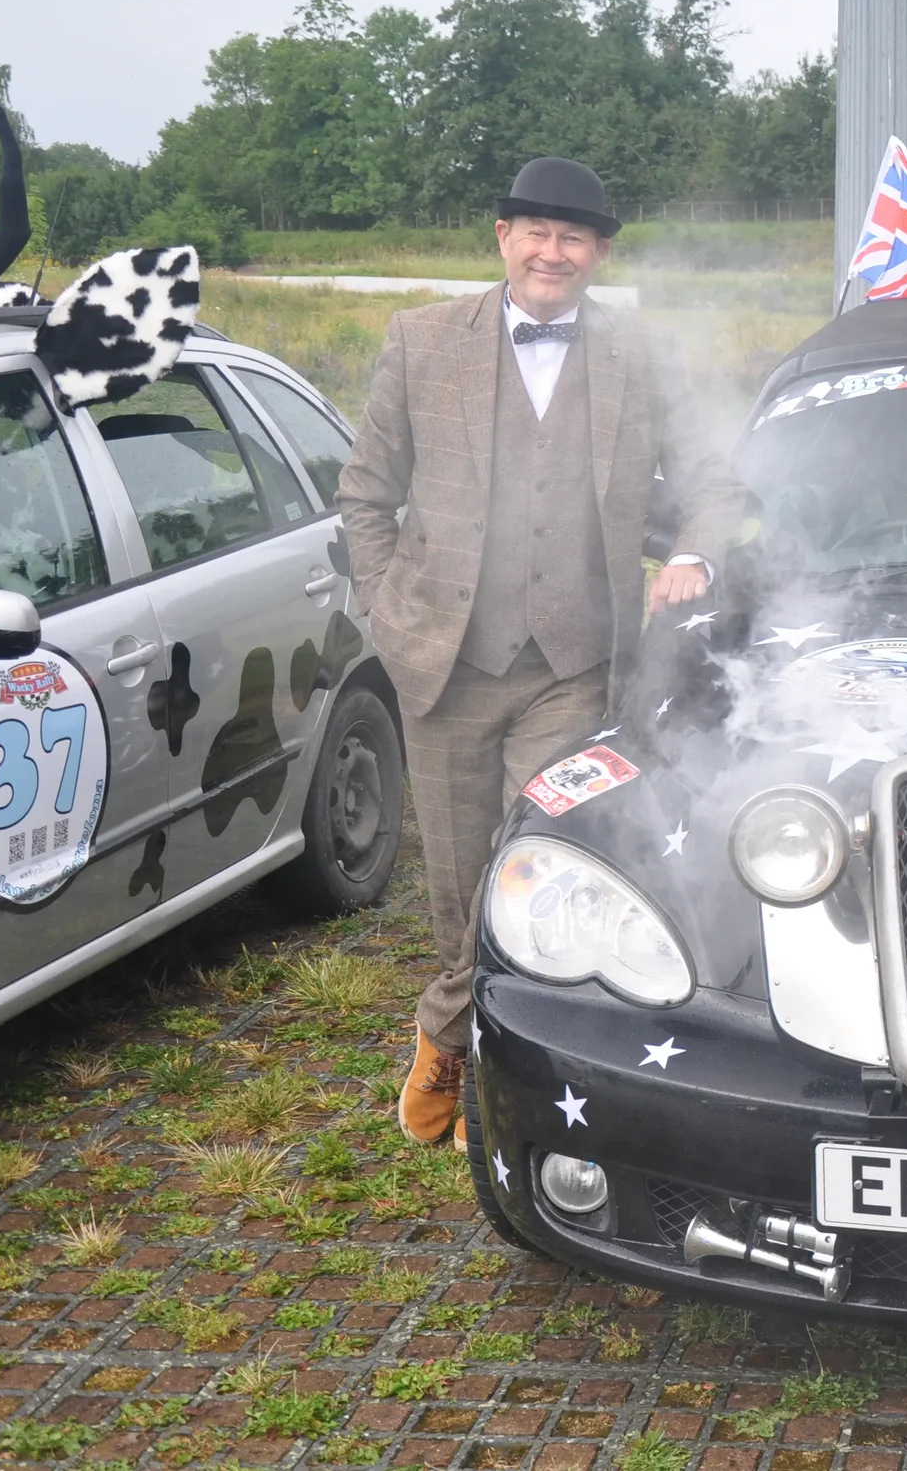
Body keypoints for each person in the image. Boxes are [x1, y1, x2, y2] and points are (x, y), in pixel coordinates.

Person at [335, 156, 743, 1145]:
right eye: (534, 232)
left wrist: (691, 552)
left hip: (573, 666)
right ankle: (450, 1028)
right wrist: (395, 616)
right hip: (443, 661)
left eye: (573, 238)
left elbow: (713, 481)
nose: (550, 252)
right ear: (502, 238)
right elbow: (363, 495)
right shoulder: (421, 340)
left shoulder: (644, 352)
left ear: (598, 254)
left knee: (538, 866)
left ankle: (479, 1065)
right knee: (458, 879)